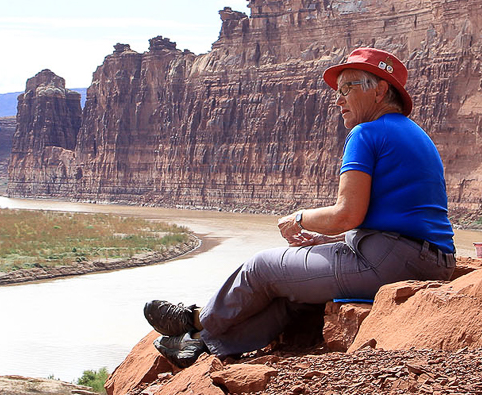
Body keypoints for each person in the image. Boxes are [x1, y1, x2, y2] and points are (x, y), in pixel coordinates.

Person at [143, 47, 456, 367]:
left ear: (380, 90)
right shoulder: (414, 134)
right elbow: (396, 219)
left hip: (392, 262)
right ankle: (205, 346)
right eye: (338, 90)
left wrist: (299, 218)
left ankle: (194, 320)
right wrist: (328, 241)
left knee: (262, 267)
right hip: (429, 260)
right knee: (292, 295)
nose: (338, 99)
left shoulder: (366, 133)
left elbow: (347, 215)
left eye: (348, 87)